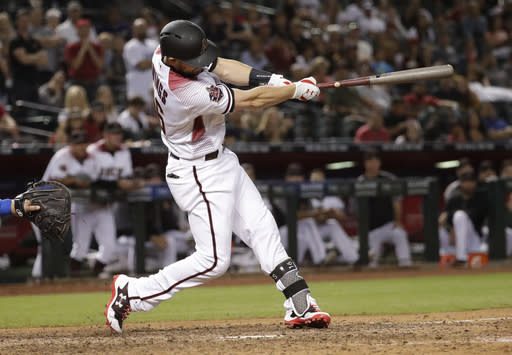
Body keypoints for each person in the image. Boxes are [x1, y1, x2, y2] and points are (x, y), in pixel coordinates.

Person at [105, 19, 330, 334]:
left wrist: (274, 79)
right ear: (173, 60)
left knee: (262, 227)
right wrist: (294, 91)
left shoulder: (166, 51)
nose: (201, 65)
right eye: (193, 62)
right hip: (197, 171)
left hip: (220, 160)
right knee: (213, 261)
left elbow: (222, 66)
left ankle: (300, 303)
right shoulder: (184, 90)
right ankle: (134, 292)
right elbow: (250, 101)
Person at [77, 122, 142, 277]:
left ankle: (91, 278)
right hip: (84, 204)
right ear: (105, 135)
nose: (117, 136)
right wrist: (117, 183)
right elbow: (86, 179)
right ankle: (65, 281)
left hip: (104, 206)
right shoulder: (92, 150)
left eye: (119, 133)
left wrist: (130, 183)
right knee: (80, 248)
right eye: (113, 133)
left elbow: (125, 176)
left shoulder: (124, 151)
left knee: (109, 248)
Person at [31, 130, 95, 279]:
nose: (81, 147)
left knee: (56, 244)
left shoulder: (90, 158)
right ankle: (40, 279)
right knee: (45, 244)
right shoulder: (62, 156)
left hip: (57, 208)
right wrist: (74, 180)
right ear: (71, 145)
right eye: (77, 144)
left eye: (83, 143)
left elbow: (88, 180)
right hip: (40, 204)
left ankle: (48, 279)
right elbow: (55, 181)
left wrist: (76, 180)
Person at [357, 150, 412, 268]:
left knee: (400, 234)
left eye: (375, 160)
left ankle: (405, 264)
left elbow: (397, 202)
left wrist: (397, 221)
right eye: (369, 161)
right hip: (371, 230)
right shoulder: (360, 182)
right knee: (370, 263)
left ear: (379, 162)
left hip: (388, 225)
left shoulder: (389, 179)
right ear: (365, 163)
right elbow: (356, 210)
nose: (372, 163)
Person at [438, 172, 489, 266]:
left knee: (460, 216)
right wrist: (450, 228)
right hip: (453, 238)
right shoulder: (454, 199)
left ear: (475, 183)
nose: (468, 184)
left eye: (471, 181)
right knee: (441, 224)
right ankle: (440, 254)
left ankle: (461, 258)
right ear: (460, 183)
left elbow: (477, 217)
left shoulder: (481, 197)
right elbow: (444, 217)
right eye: (465, 182)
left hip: (473, 237)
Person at [8, 8, 48, 103]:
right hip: (20, 84)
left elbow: (44, 61)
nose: (25, 23)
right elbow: (24, 59)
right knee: (21, 113)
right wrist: (37, 56)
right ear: (17, 22)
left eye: (27, 21)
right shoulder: (15, 41)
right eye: (22, 21)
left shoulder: (34, 41)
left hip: (34, 82)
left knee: (35, 114)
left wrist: (30, 57)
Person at [64, 19, 104, 100]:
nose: (84, 31)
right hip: (77, 82)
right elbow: (75, 65)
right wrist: (83, 49)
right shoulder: (71, 47)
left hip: (94, 83)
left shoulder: (97, 47)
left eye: (87, 28)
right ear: (77, 31)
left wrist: (90, 49)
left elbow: (100, 65)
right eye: (82, 28)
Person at [123, 18, 158, 105]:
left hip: (153, 88)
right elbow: (141, 65)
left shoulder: (153, 44)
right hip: (137, 88)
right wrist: (157, 60)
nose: (141, 30)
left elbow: (163, 62)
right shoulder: (130, 46)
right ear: (133, 29)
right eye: (138, 28)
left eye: (143, 27)